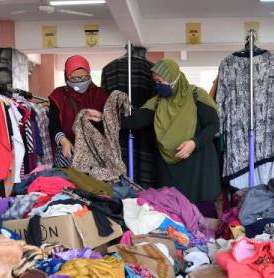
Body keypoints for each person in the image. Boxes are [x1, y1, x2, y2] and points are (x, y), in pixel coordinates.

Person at [121, 59, 221, 217]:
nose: (158, 86)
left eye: (161, 81)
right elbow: (135, 121)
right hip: (170, 168)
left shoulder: (196, 95)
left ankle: (206, 240)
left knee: (203, 213)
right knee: (173, 211)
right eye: (155, 82)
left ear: (174, 78)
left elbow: (213, 125)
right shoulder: (158, 102)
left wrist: (194, 143)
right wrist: (105, 117)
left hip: (198, 163)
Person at [49, 55, 108, 167]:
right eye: (75, 78)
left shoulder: (100, 95)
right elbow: (53, 126)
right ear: (67, 76)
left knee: (94, 184)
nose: (80, 81)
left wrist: (101, 117)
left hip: (96, 154)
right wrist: (63, 141)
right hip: (68, 153)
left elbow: (110, 124)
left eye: (84, 77)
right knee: (68, 183)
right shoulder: (58, 95)